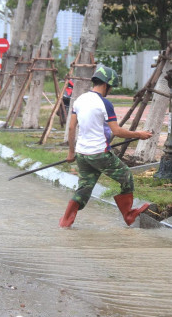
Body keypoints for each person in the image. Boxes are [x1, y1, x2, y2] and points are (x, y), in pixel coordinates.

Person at [59, 65, 153, 228]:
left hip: (82, 154)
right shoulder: (105, 103)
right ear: (106, 84)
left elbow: (72, 127)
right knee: (126, 176)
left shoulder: (80, 100)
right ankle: (129, 214)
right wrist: (139, 135)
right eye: (110, 87)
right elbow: (116, 130)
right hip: (99, 154)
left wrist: (71, 152)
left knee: (84, 188)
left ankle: (65, 223)